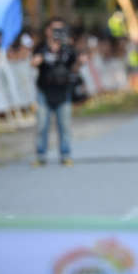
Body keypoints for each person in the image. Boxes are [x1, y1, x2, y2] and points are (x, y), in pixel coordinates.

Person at [31, 17, 81, 166]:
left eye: (61, 30)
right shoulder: (41, 47)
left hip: (63, 91)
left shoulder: (68, 49)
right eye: (55, 29)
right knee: (42, 125)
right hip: (44, 91)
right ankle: (41, 156)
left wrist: (80, 61)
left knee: (64, 125)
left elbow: (74, 68)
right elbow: (33, 63)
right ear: (48, 31)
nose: (58, 33)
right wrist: (40, 58)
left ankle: (65, 154)